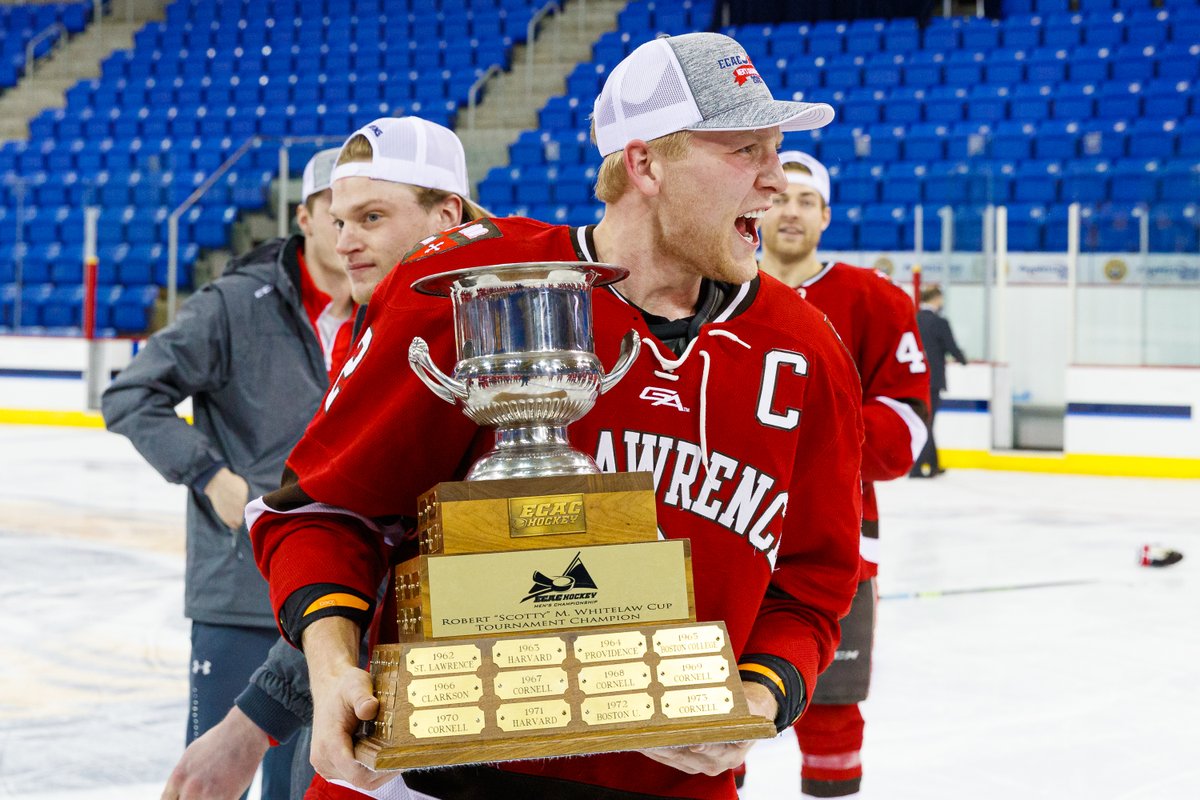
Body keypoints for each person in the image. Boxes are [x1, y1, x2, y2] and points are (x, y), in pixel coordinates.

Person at [249, 32, 865, 800]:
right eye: (747, 151)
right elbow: (326, 510)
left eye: (776, 151)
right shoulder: (478, 285)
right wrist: (333, 664)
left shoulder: (807, 347)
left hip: (670, 787)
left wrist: (763, 691)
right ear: (645, 164)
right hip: (429, 773)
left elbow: (814, 579)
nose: (777, 180)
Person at [159, 116, 486, 800]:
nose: (345, 243)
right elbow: (349, 530)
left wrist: (254, 721)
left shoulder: (482, 335)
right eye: (339, 221)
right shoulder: (374, 328)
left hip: (473, 708)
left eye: (371, 217)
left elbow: (375, 541)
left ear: (447, 215)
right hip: (373, 691)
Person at [102, 147, 353, 800]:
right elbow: (130, 395)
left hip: (340, 597)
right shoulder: (235, 304)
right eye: (336, 213)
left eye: (365, 214)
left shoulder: (389, 313)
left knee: (310, 786)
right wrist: (210, 474)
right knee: (218, 780)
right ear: (304, 217)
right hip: (242, 589)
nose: (348, 230)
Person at [757, 151, 931, 797]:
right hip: (724, 535)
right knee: (706, 709)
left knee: (831, 708)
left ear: (826, 216)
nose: (791, 212)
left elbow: (905, 434)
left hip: (839, 548)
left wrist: (810, 427)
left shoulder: (874, 300)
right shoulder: (711, 289)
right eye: (780, 198)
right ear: (757, 207)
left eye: (807, 201)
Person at [911, 284, 967, 478]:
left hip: (916, 377)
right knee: (927, 422)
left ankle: (933, 464)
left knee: (925, 420)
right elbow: (951, 346)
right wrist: (963, 359)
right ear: (935, 299)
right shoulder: (939, 322)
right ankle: (917, 467)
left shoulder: (914, 318)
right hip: (933, 379)